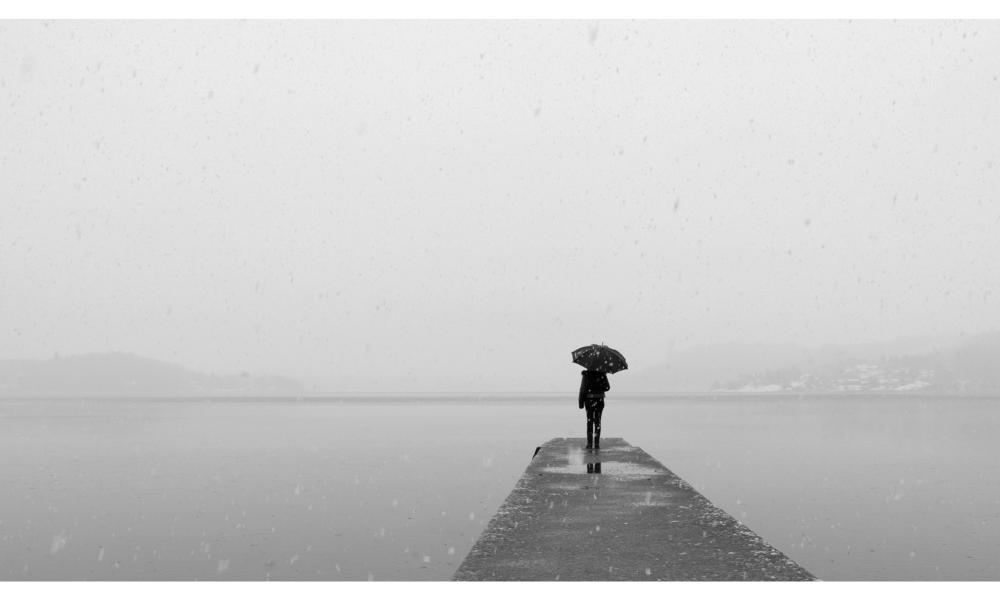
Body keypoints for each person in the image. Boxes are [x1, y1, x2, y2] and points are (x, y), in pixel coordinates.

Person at [578, 369, 610, 450]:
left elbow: (583, 389)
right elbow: (607, 387)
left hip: (589, 401)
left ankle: (589, 444)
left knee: (589, 421)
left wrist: (581, 403)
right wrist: (600, 383)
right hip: (599, 401)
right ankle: (596, 444)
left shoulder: (586, 374)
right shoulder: (602, 374)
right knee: (598, 422)